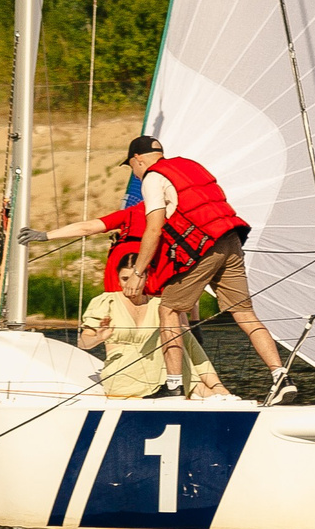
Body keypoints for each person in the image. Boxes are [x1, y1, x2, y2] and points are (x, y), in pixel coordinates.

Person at [121, 134, 292, 403]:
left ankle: (174, 387)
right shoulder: (190, 166)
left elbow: (154, 228)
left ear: (137, 159)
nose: (136, 174)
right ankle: (281, 377)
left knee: (169, 309)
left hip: (204, 246)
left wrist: (138, 273)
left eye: (132, 168)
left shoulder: (153, 177)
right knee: (244, 312)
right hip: (231, 239)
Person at [76, 282, 226, 399]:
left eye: (137, 278)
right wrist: (98, 337)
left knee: (178, 331)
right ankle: (198, 388)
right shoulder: (107, 301)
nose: (131, 285)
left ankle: (216, 386)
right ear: (119, 281)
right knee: (169, 333)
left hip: (156, 373)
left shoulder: (159, 304)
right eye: (125, 279)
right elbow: (83, 343)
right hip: (123, 375)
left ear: (145, 278)